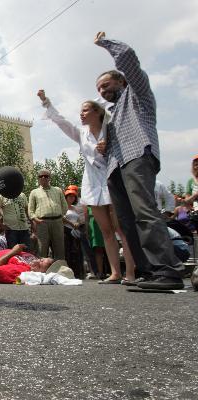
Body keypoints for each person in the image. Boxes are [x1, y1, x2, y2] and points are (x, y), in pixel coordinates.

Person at [94, 32, 185, 289]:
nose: (102, 91)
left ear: (122, 81)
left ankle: (167, 269)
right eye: (99, 89)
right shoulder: (112, 116)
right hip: (116, 167)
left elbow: (129, 59)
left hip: (137, 157)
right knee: (126, 220)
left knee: (144, 212)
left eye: (106, 85)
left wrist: (106, 43)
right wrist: (105, 146)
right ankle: (148, 272)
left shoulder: (137, 96)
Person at [38, 90, 136, 284]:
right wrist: (46, 102)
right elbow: (62, 122)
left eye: (85, 110)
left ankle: (131, 273)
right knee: (106, 230)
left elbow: (127, 147)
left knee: (122, 229)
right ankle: (115, 273)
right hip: (93, 183)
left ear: (97, 112)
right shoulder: (82, 134)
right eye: (81, 111)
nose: (81, 114)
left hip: (113, 180)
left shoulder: (111, 129)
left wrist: (108, 146)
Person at [27, 169, 67, 260]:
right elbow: (30, 209)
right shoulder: (34, 192)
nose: (43, 178)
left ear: (50, 178)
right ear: (38, 179)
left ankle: (60, 271)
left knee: (59, 248)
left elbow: (64, 205)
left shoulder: (58, 190)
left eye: (46, 176)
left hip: (57, 221)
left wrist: (62, 216)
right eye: (41, 176)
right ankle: (43, 272)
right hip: (42, 223)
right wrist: (35, 219)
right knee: (42, 249)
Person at [62, 188, 85, 279]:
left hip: (75, 231)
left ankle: (77, 273)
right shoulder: (63, 207)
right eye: (69, 196)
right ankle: (68, 272)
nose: (71, 198)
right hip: (66, 230)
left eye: (73, 197)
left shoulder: (75, 208)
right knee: (67, 251)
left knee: (76, 252)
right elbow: (62, 218)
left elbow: (79, 219)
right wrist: (72, 223)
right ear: (66, 197)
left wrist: (78, 224)